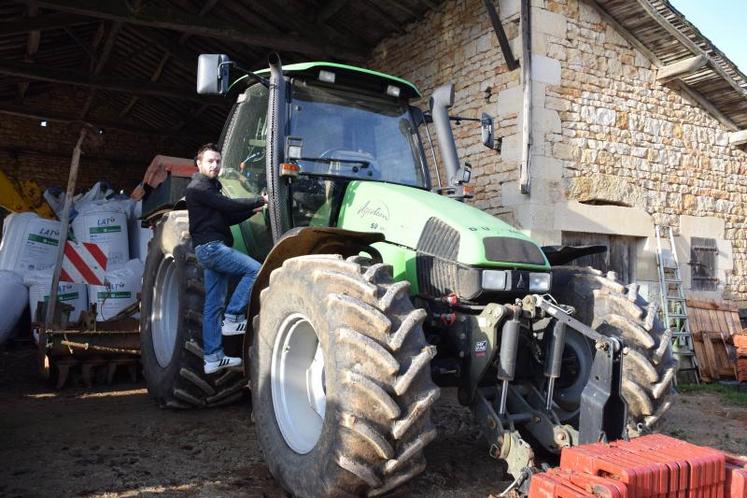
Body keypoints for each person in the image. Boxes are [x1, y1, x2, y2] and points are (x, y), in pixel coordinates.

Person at [185, 143, 266, 374]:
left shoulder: (210, 189)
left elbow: (226, 218)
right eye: (210, 161)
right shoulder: (198, 188)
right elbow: (228, 205)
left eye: (218, 161)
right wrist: (258, 200)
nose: (215, 165)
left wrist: (252, 211)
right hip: (212, 249)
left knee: (213, 306)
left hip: (210, 248)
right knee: (256, 270)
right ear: (199, 163)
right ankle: (233, 318)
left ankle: (213, 357)